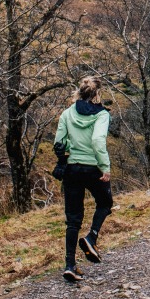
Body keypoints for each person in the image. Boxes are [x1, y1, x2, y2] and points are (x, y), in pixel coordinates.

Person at [55, 76, 113, 283]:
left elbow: (59, 143)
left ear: (79, 92)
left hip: (72, 170)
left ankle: (70, 265)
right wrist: (105, 167)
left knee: (73, 219)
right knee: (105, 203)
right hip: (93, 168)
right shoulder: (102, 115)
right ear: (98, 94)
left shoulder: (67, 113)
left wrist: (68, 155)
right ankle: (91, 238)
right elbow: (98, 140)